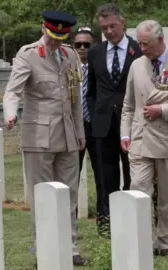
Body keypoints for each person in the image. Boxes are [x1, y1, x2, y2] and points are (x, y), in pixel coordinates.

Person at [3, 10, 90, 266]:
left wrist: (80, 133)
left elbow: (75, 99)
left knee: (70, 194)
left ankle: (71, 246)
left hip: (68, 137)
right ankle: (43, 248)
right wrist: (10, 114)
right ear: (44, 29)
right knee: (41, 195)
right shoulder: (28, 54)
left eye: (61, 37)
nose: (56, 42)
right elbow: (12, 92)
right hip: (39, 136)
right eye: (53, 37)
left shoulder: (70, 55)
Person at [120, 20, 168, 258]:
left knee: (166, 199)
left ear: (160, 40)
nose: (141, 48)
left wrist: (163, 110)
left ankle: (166, 244)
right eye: (139, 43)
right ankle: (143, 241)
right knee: (139, 190)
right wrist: (126, 132)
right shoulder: (136, 66)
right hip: (140, 141)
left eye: (146, 44)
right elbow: (128, 105)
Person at [86, 2, 142, 235]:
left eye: (112, 26)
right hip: (103, 124)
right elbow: (91, 90)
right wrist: (95, 114)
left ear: (123, 23)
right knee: (105, 176)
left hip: (132, 123)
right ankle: (106, 224)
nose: (109, 31)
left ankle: (131, 221)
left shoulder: (138, 50)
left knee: (133, 174)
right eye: (104, 28)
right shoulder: (95, 52)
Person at [74, 26, 101, 217]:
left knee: (101, 174)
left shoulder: (100, 67)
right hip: (75, 127)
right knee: (71, 175)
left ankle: (103, 219)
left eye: (87, 44)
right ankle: (70, 217)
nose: (82, 48)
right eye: (78, 44)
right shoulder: (66, 68)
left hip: (97, 126)